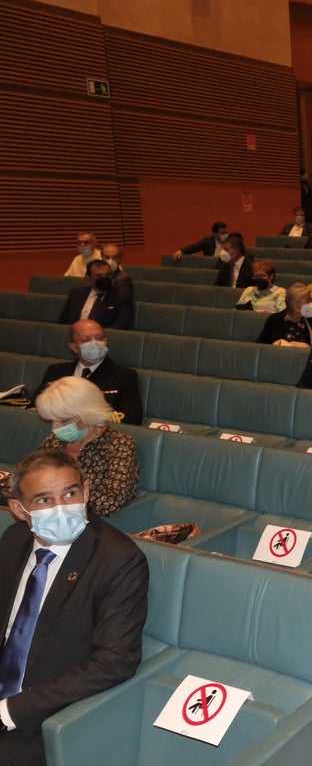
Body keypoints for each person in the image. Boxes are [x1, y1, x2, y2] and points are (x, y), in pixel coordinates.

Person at [0, 450, 147, 765]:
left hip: (43, 716)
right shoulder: (13, 539)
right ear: (18, 509)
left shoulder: (117, 559)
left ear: (87, 491)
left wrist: (9, 711)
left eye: (70, 494)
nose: (61, 509)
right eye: (43, 500)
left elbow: (115, 662)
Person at [25, 377, 139, 517]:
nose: (55, 428)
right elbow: (28, 472)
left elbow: (111, 502)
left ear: (88, 415)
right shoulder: (56, 440)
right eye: (52, 421)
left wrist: (54, 498)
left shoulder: (119, 443)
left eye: (63, 421)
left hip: (91, 524)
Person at [33, 320, 142, 426]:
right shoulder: (56, 371)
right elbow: (37, 406)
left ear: (106, 341)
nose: (94, 343)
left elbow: (132, 418)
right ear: (74, 347)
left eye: (99, 338)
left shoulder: (124, 376)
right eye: (86, 340)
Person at [56, 260, 133, 330]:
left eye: (107, 275)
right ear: (89, 278)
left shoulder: (121, 295)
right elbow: (63, 321)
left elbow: (122, 325)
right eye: (99, 276)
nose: (104, 278)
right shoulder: (76, 294)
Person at [256, 283, 312, 347]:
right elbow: (261, 346)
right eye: (307, 301)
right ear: (295, 305)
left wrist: (307, 347)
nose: (311, 304)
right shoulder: (275, 320)